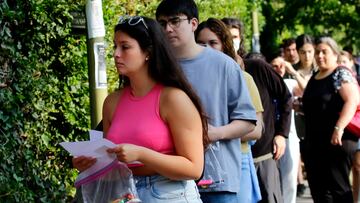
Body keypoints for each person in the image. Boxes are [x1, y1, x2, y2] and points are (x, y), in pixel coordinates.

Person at [72, 16, 211, 202]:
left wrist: (141, 154)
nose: (116, 54)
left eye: (125, 46)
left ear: (148, 52)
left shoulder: (174, 99)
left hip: (169, 193)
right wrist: (90, 164)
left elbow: (194, 168)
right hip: (124, 193)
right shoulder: (112, 102)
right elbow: (111, 164)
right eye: (115, 46)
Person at [156, 1, 258, 202]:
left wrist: (215, 133)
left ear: (193, 23)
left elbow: (248, 121)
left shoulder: (225, 65)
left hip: (217, 180)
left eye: (175, 21)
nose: (168, 29)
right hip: (167, 181)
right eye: (162, 23)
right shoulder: (155, 68)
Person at [222, 17, 292, 203]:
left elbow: (285, 97)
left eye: (234, 36)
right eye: (226, 36)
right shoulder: (214, 72)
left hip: (263, 154)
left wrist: (281, 134)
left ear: (241, 38)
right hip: (229, 158)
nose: (230, 41)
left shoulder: (257, 67)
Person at [195, 17, 263, 203]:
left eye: (213, 43)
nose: (206, 48)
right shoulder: (187, 79)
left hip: (234, 159)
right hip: (196, 162)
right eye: (201, 43)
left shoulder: (242, 78)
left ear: (224, 46)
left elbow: (256, 129)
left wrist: (217, 132)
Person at [302, 36, 359, 202]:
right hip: (315, 142)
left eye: (324, 52)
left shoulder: (340, 73)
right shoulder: (315, 75)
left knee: (338, 190)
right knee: (319, 192)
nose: (319, 56)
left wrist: (338, 128)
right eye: (317, 52)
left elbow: (352, 101)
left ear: (335, 54)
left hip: (337, 141)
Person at [282, 34, 318, 197]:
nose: (307, 56)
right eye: (303, 52)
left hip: (317, 124)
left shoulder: (320, 70)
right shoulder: (290, 70)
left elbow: (311, 94)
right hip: (295, 124)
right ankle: (299, 183)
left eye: (310, 51)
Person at [271, 56, 301, 203]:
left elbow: (305, 91)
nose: (279, 69)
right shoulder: (268, 83)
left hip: (289, 137)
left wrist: (293, 71)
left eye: (282, 66)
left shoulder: (289, 83)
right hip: (270, 137)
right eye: (275, 66)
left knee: (289, 178)